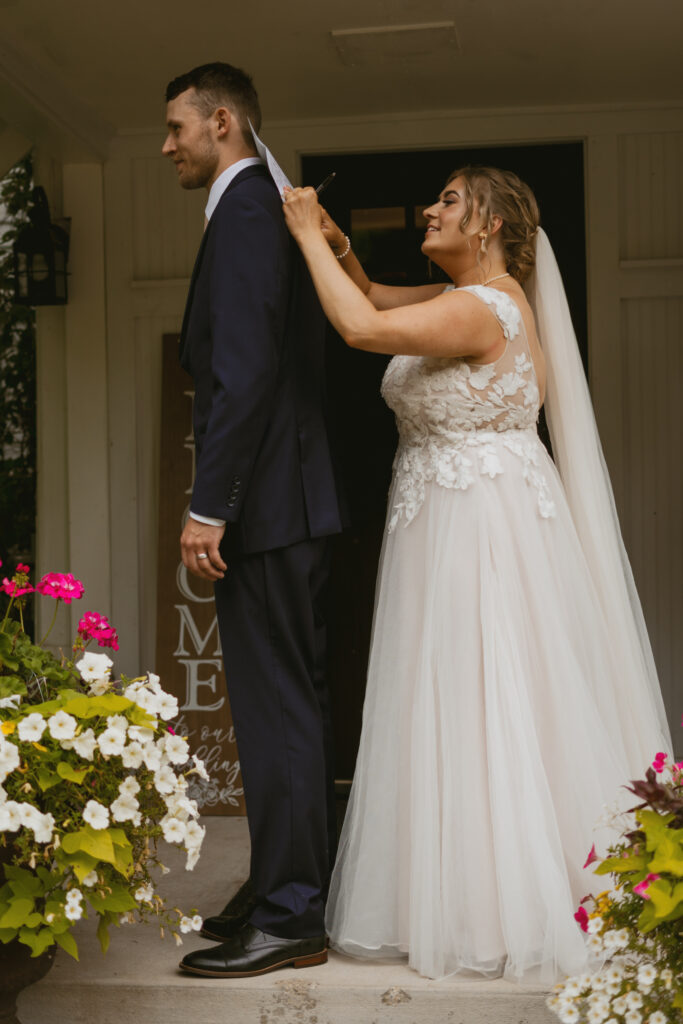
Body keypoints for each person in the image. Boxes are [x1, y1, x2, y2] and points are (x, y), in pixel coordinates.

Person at [282, 166, 673, 982]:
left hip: (475, 527)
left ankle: (508, 904)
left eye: (450, 200)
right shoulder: (474, 301)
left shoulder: (479, 308)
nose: (429, 209)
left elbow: (356, 326)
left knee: (485, 696)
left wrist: (297, 236)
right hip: (446, 514)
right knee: (462, 702)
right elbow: (376, 293)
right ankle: (471, 890)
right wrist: (337, 242)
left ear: (491, 224)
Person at [161, 62, 343, 978]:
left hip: (264, 505)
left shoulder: (242, 210)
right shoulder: (264, 198)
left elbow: (240, 373)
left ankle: (293, 915)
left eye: (177, 129)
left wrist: (206, 508)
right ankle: (280, 888)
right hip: (287, 500)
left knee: (276, 714)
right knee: (286, 707)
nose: (167, 146)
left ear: (222, 122)